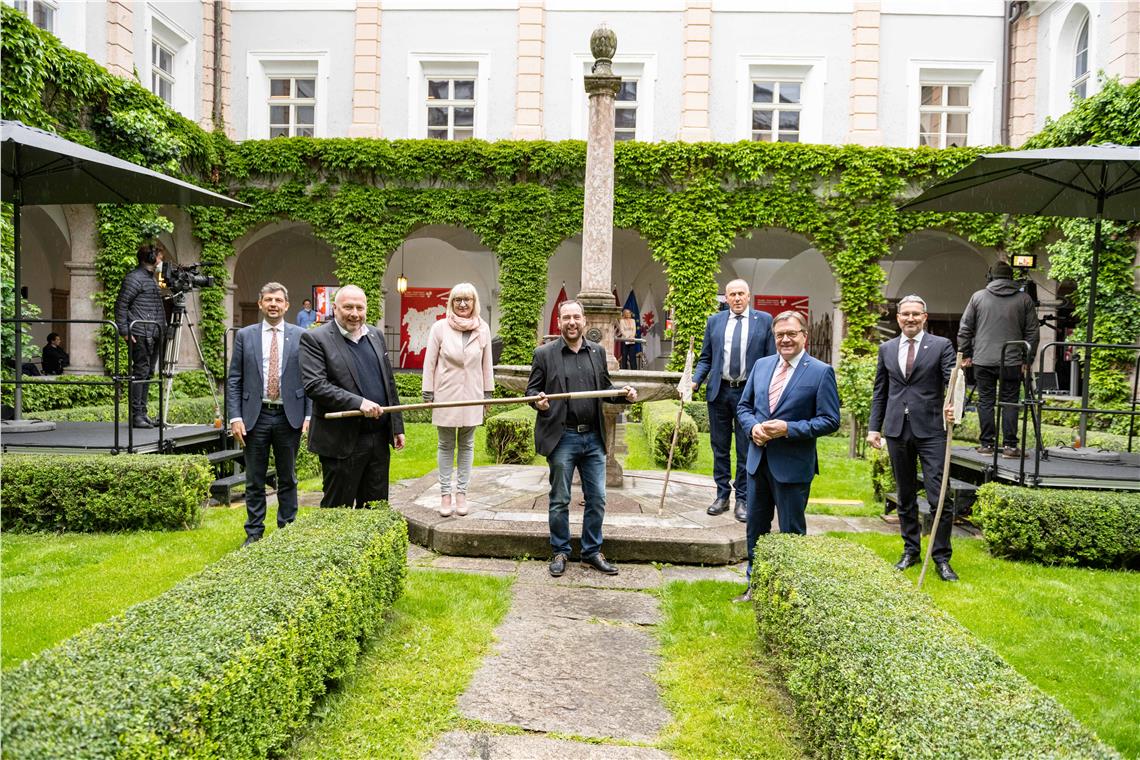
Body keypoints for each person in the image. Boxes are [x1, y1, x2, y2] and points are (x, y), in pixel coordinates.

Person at [734, 310, 840, 602]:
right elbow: (744, 407)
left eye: (791, 334)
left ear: (804, 336)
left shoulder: (820, 372)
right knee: (756, 529)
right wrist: (753, 428)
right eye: (780, 334)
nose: (785, 339)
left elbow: (830, 420)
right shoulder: (762, 365)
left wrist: (788, 429)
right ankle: (756, 586)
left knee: (791, 532)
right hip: (758, 462)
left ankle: (791, 591)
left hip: (793, 467)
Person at [527, 300, 637, 577]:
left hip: (593, 438)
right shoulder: (544, 354)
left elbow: (605, 389)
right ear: (559, 322)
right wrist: (538, 401)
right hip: (562, 437)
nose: (572, 322)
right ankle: (560, 551)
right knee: (560, 499)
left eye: (576, 317)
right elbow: (532, 391)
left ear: (584, 320)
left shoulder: (597, 352)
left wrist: (623, 394)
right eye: (566, 318)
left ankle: (591, 552)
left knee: (597, 498)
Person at [866, 295, 959, 581]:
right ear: (898, 318)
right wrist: (874, 428)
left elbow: (953, 382)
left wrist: (955, 407)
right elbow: (881, 391)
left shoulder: (941, 346)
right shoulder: (887, 349)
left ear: (924, 317)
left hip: (932, 429)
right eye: (905, 314)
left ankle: (941, 558)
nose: (910, 318)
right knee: (904, 495)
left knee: (939, 496)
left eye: (916, 314)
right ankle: (910, 550)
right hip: (897, 429)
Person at [300, 284, 405, 508]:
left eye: (360, 307)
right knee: (338, 510)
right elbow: (315, 385)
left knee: (375, 509)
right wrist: (359, 403)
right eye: (348, 307)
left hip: (378, 439)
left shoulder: (376, 335)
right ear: (335, 308)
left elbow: (388, 382)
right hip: (340, 441)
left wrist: (397, 427)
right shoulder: (315, 339)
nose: (355, 313)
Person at [226, 282, 312, 548]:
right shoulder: (245, 336)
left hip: (289, 415)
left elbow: (310, 379)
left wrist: (309, 416)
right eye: (268, 300)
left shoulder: (301, 336)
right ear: (260, 304)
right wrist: (235, 417)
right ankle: (254, 533)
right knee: (255, 478)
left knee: (288, 477)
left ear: (287, 305)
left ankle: (287, 531)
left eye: (278, 300)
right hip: (255, 416)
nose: (273, 304)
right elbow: (234, 379)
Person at [692, 279, 775, 522]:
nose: (737, 298)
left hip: (748, 395)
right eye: (732, 294)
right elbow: (706, 358)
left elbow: (770, 359)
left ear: (749, 296)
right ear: (726, 298)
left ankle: (742, 499)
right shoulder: (714, 321)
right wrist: (695, 381)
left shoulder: (764, 320)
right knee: (719, 447)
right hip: (719, 392)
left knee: (745, 448)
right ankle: (721, 495)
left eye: (741, 294)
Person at [422, 283, 494, 517]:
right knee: (445, 444)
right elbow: (430, 362)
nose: (462, 304)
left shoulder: (483, 328)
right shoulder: (439, 328)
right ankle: (445, 494)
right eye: (457, 300)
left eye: (467, 300)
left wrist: (488, 394)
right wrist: (428, 392)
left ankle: (461, 493)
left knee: (467, 444)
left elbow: (487, 364)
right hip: (446, 393)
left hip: (472, 394)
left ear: (474, 303)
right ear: (451, 302)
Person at [958, 261, 1038, 458]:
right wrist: (1027, 359)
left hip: (983, 359)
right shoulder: (1024, 299)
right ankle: (1010, 446)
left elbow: (965, 328)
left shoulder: (978, 297)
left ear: (990, 277)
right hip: (1011, 360)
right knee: (1010, 401)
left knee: (985, 401)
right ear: (1011, 277)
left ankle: (986, 444)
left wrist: (966, 353)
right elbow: (1032, 332)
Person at [114, 243, 166, 428]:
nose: (161, 260)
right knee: (140, 373)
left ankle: (142, 413)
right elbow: (121, 305)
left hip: (153, 332)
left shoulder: (151, 278)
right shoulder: (134, 278)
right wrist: (125, 331)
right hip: (140, 333)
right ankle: (136, 415)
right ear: (151, 258)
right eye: (159, 257)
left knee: (148, 373)